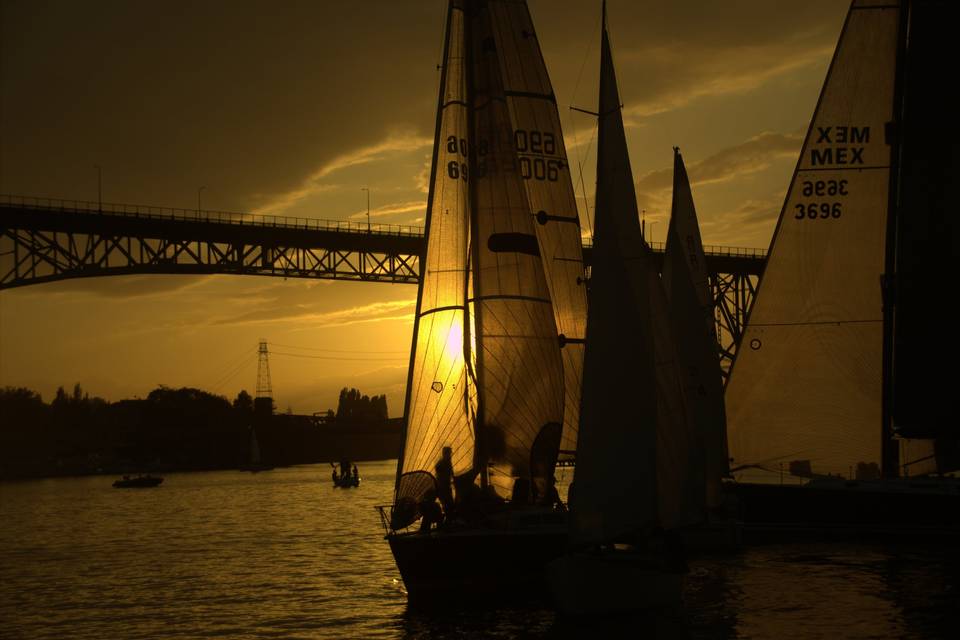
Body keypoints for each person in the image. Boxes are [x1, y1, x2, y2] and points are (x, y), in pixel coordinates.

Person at [435, 447, 455, 514]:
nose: (450, 455)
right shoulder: (441, 463)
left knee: (449, 506)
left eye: (450, 453)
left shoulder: (448, 462)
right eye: (449, 453)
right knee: (448, 505)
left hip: (446, 487)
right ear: (444, 454)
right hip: (442, 487)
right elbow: (440, 473)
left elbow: (451, 473)